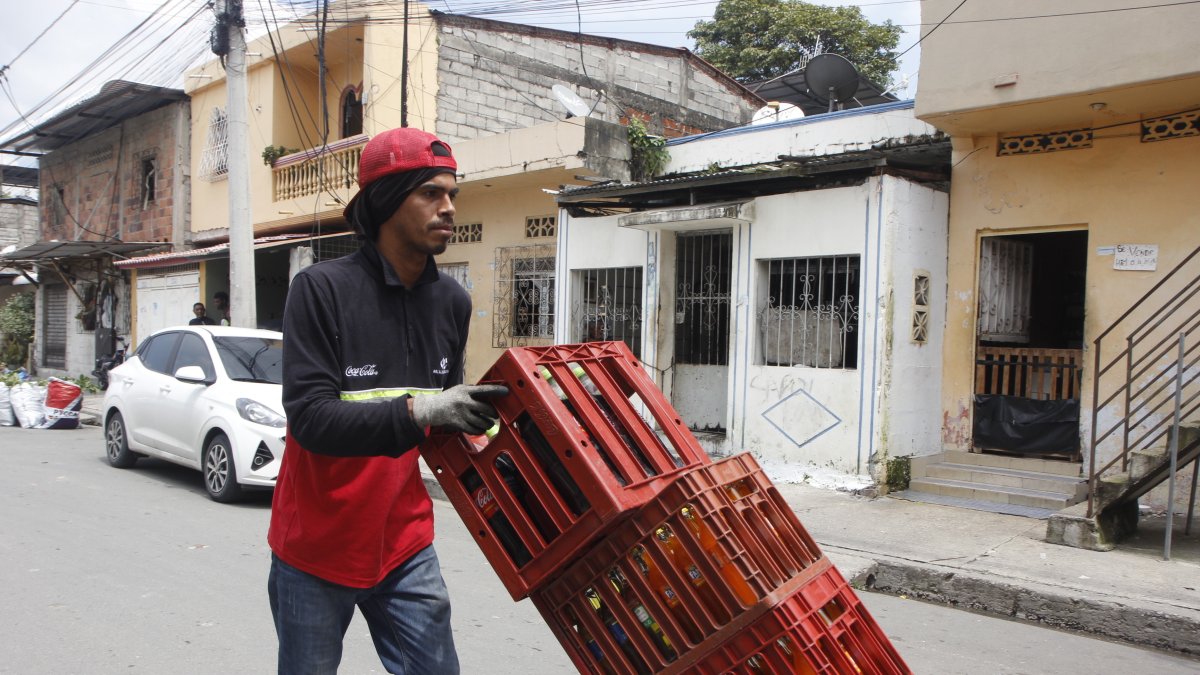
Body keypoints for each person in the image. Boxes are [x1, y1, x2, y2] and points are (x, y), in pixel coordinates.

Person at [268, 127, 507, 675]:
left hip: (404, 544)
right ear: (385, 201)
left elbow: (449, 421)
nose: (448, 208)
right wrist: (423, 410)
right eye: (431, 193)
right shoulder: (320, 289)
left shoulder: (452, 302)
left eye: (453, 195)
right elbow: (310, 420)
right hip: (315, 549)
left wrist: (490, 427)